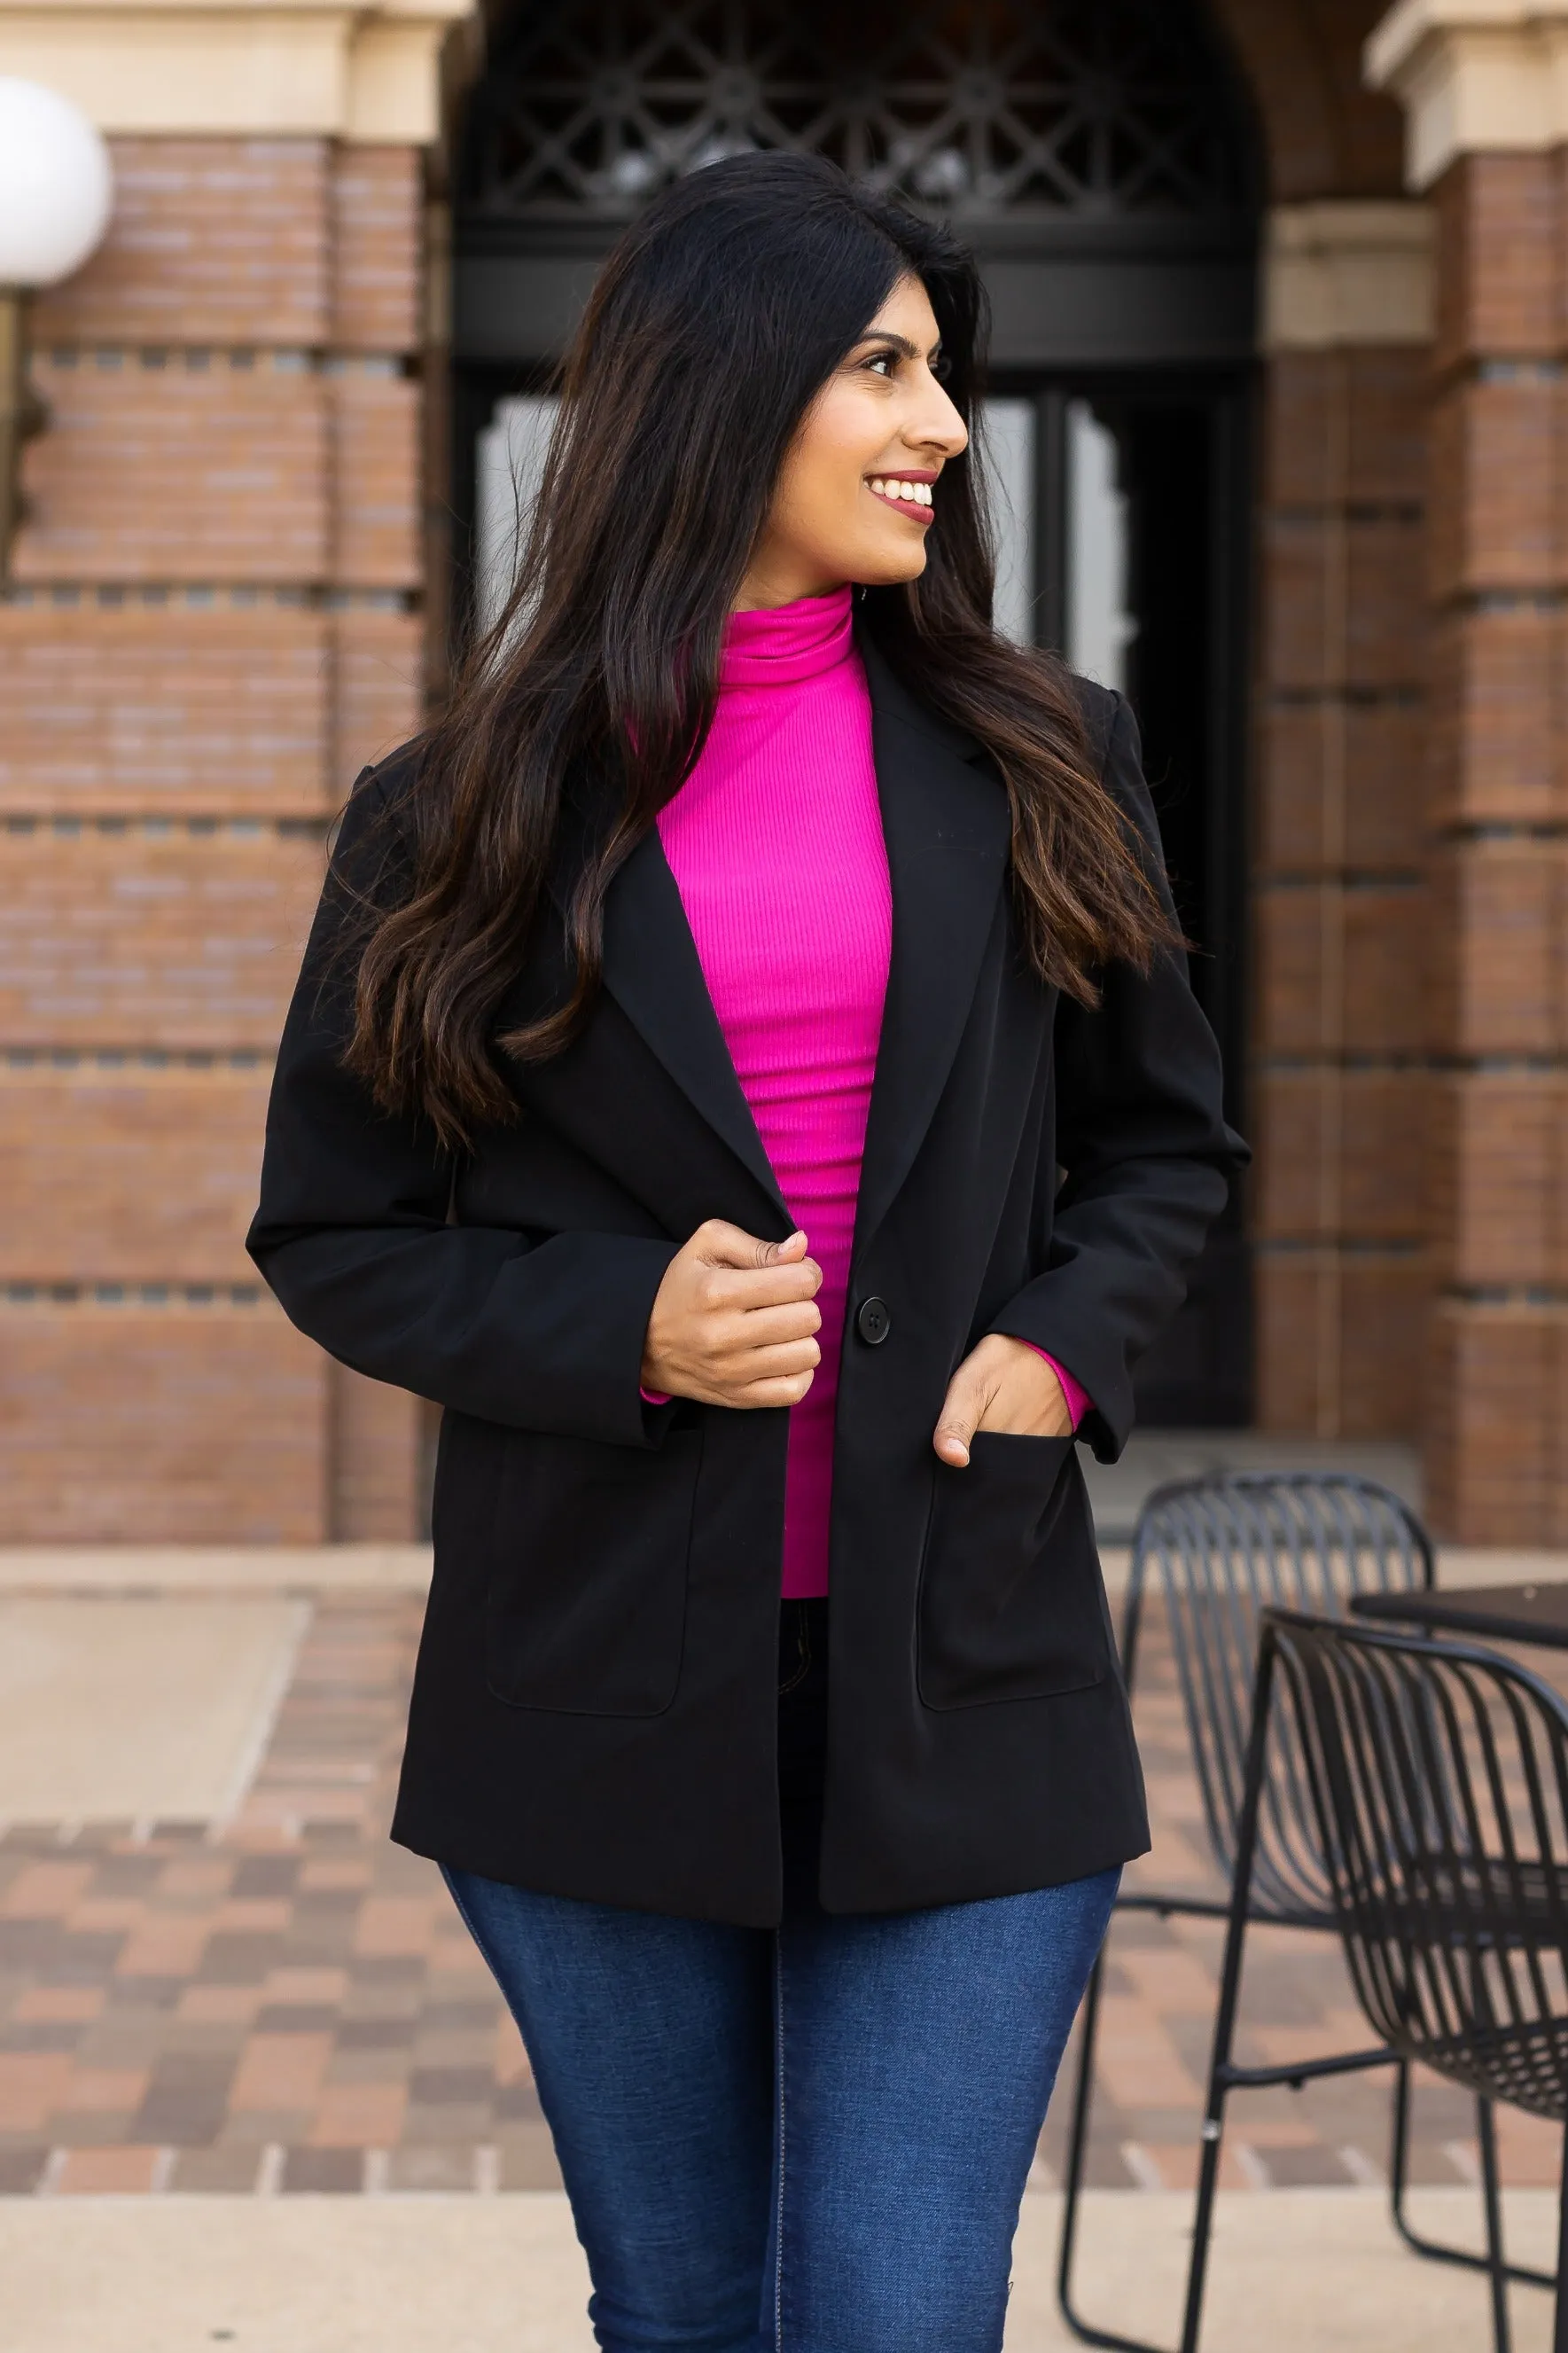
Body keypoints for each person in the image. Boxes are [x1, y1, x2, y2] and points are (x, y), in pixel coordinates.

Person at [249, 150, 1245, 2353]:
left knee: (889, 2314)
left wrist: (1054, 1354)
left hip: (962, 1669)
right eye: (882, 366)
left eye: (940, 371)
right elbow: (332, 1228)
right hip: (591, 1683)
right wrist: (626, 1323)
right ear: (720, 393)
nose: (944, 425)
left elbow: (1163, 1143)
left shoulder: (1044, 758)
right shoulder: (460, 811)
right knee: (690, 2310)